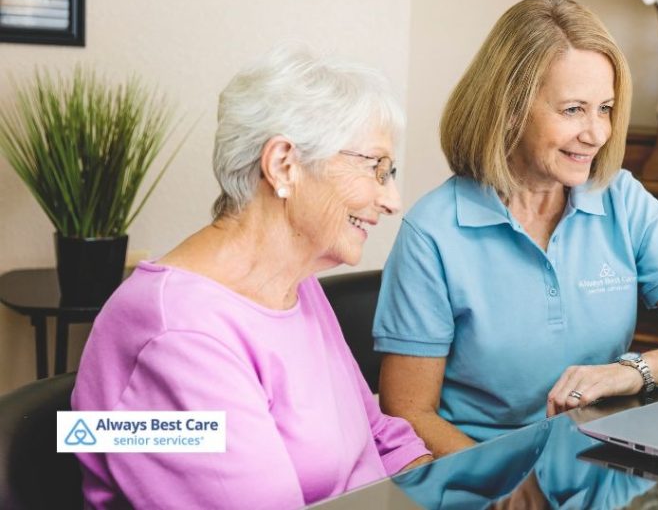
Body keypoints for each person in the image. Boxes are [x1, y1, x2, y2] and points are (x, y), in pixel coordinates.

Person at [373, 0, 658, 457]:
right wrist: (503, 486)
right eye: (572, 110)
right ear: (509, 109)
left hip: (599, 465)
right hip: (488, 479)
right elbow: (408, 415)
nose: (597, 133)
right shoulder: (432, 234)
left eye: (604, 108)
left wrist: (631, 370)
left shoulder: (620, 199)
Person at [71, 47, 431, 509]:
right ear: (283, 164)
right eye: (375, 168)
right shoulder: (175, 334)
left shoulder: (296, 284)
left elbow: (379, 437)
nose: (392, 200)